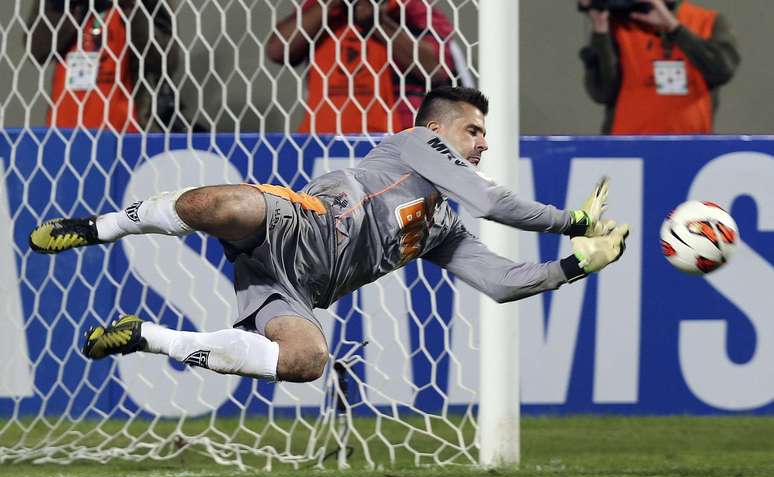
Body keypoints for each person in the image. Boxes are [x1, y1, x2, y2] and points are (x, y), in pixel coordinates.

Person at [28, 86, 630, 384]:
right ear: (439, 129)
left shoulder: (441, 226)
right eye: (475, 131)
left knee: (306, 361)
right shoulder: (412, 144)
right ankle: (97, 227)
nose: (484, 144)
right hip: (300, 222)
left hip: (295, 290)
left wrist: (577, 264)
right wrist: (569, 222)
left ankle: (147, 339)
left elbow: (501, 283)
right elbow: (488, 198)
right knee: (217, 202)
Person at [265, 0, 461, 134]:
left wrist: (377, 23)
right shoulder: (322, 9)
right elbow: (277, 50)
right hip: (324, 136)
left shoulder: (411, 8)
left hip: (397, 137)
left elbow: (437, 69)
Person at [578, 0, 740, 134]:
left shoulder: (708, 21)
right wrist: (600, 27)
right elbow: (601, 92)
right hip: (627, 149)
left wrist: (674, 27)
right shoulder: (618, 24)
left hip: (693, 148)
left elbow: (722, 69)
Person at [26, 0, 179, 132]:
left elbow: (168, 60)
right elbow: (35, 49)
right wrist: (74, 8)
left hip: (126, 134)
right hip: (63, 131)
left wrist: (130, 9)